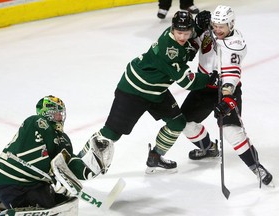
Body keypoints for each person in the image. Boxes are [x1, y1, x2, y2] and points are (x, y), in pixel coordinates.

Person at [77, 10, 218, 176]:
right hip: (134, 89)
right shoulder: (170, 50)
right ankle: (77, 161)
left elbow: (189, 46)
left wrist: (199, 29)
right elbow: (187, 82)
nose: (182, 36)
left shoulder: (179, 36)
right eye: (179, 32)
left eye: (186, 33)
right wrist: (209, 78)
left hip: (156, 90)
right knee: (111, 133)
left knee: (177, 123)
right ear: (173, 29)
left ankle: (155, 157)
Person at [180, 5, 273, 185]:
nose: (217, 29)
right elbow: (189, 38)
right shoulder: (210, 30)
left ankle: (256, 167)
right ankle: (207, 148)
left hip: (225, 89)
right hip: (204, 87)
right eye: (215, 25)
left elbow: (231, 75)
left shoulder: (235, 44)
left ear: (231, 24)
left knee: (231, 131)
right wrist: (197, 26)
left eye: (221, 26)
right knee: (184, 123)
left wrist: (227, 98)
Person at [0, 95, 98, 213]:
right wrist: (53, 165)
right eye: (54, 113)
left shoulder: (63, 139)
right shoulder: (35, 122)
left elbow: (68, 161)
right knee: (43, 207)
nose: (59, 116)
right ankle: (7, 207)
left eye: (60, 113)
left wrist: (86, 169)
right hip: (10, 180)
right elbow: (39, 152)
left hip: (32, 183)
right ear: (45, 113)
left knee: (53, 203)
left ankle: (3, 205)